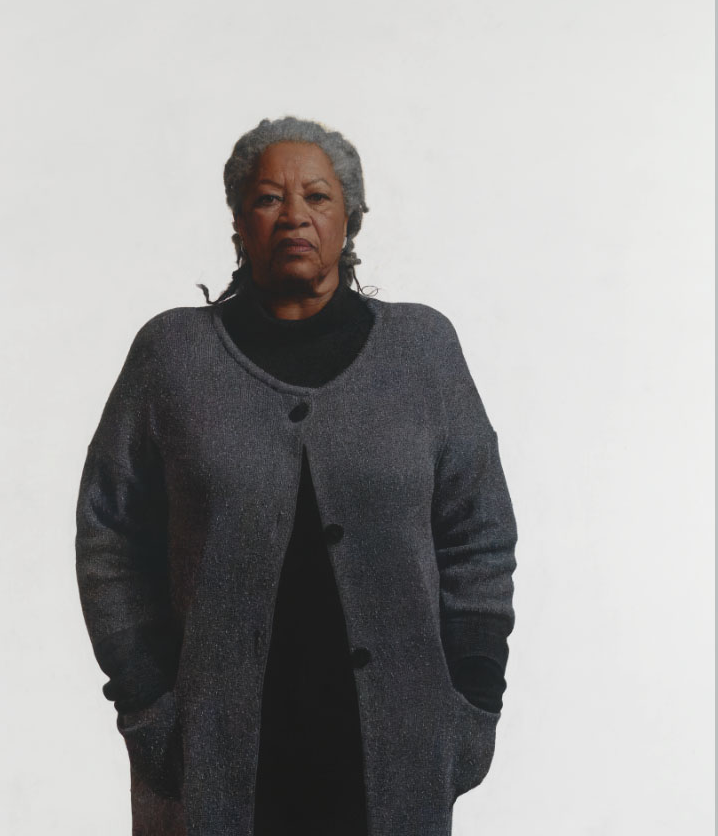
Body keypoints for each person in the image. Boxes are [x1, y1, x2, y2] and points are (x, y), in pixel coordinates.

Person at [75, 117, 518, 836]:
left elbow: (478, 532)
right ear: (237, 222)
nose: (293, 216)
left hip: (394, 744)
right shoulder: (171, 357)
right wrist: (147, 702)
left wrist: (472, 695)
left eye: (316, 196)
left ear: (349, 218)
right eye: (267, 199)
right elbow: (110, 535)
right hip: (215, 750)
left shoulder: (422, 351)